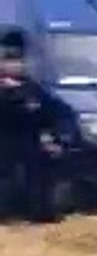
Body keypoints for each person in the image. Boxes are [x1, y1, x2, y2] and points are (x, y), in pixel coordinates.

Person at [0, 32, 62, 223]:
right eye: (8, 60)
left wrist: (54, 137)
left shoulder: (32, 87)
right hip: (4, 140)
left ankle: (38, 214)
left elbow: (53, 112)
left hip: (28, 140)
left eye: (17, 61)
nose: (13, 65)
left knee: (36, 179)